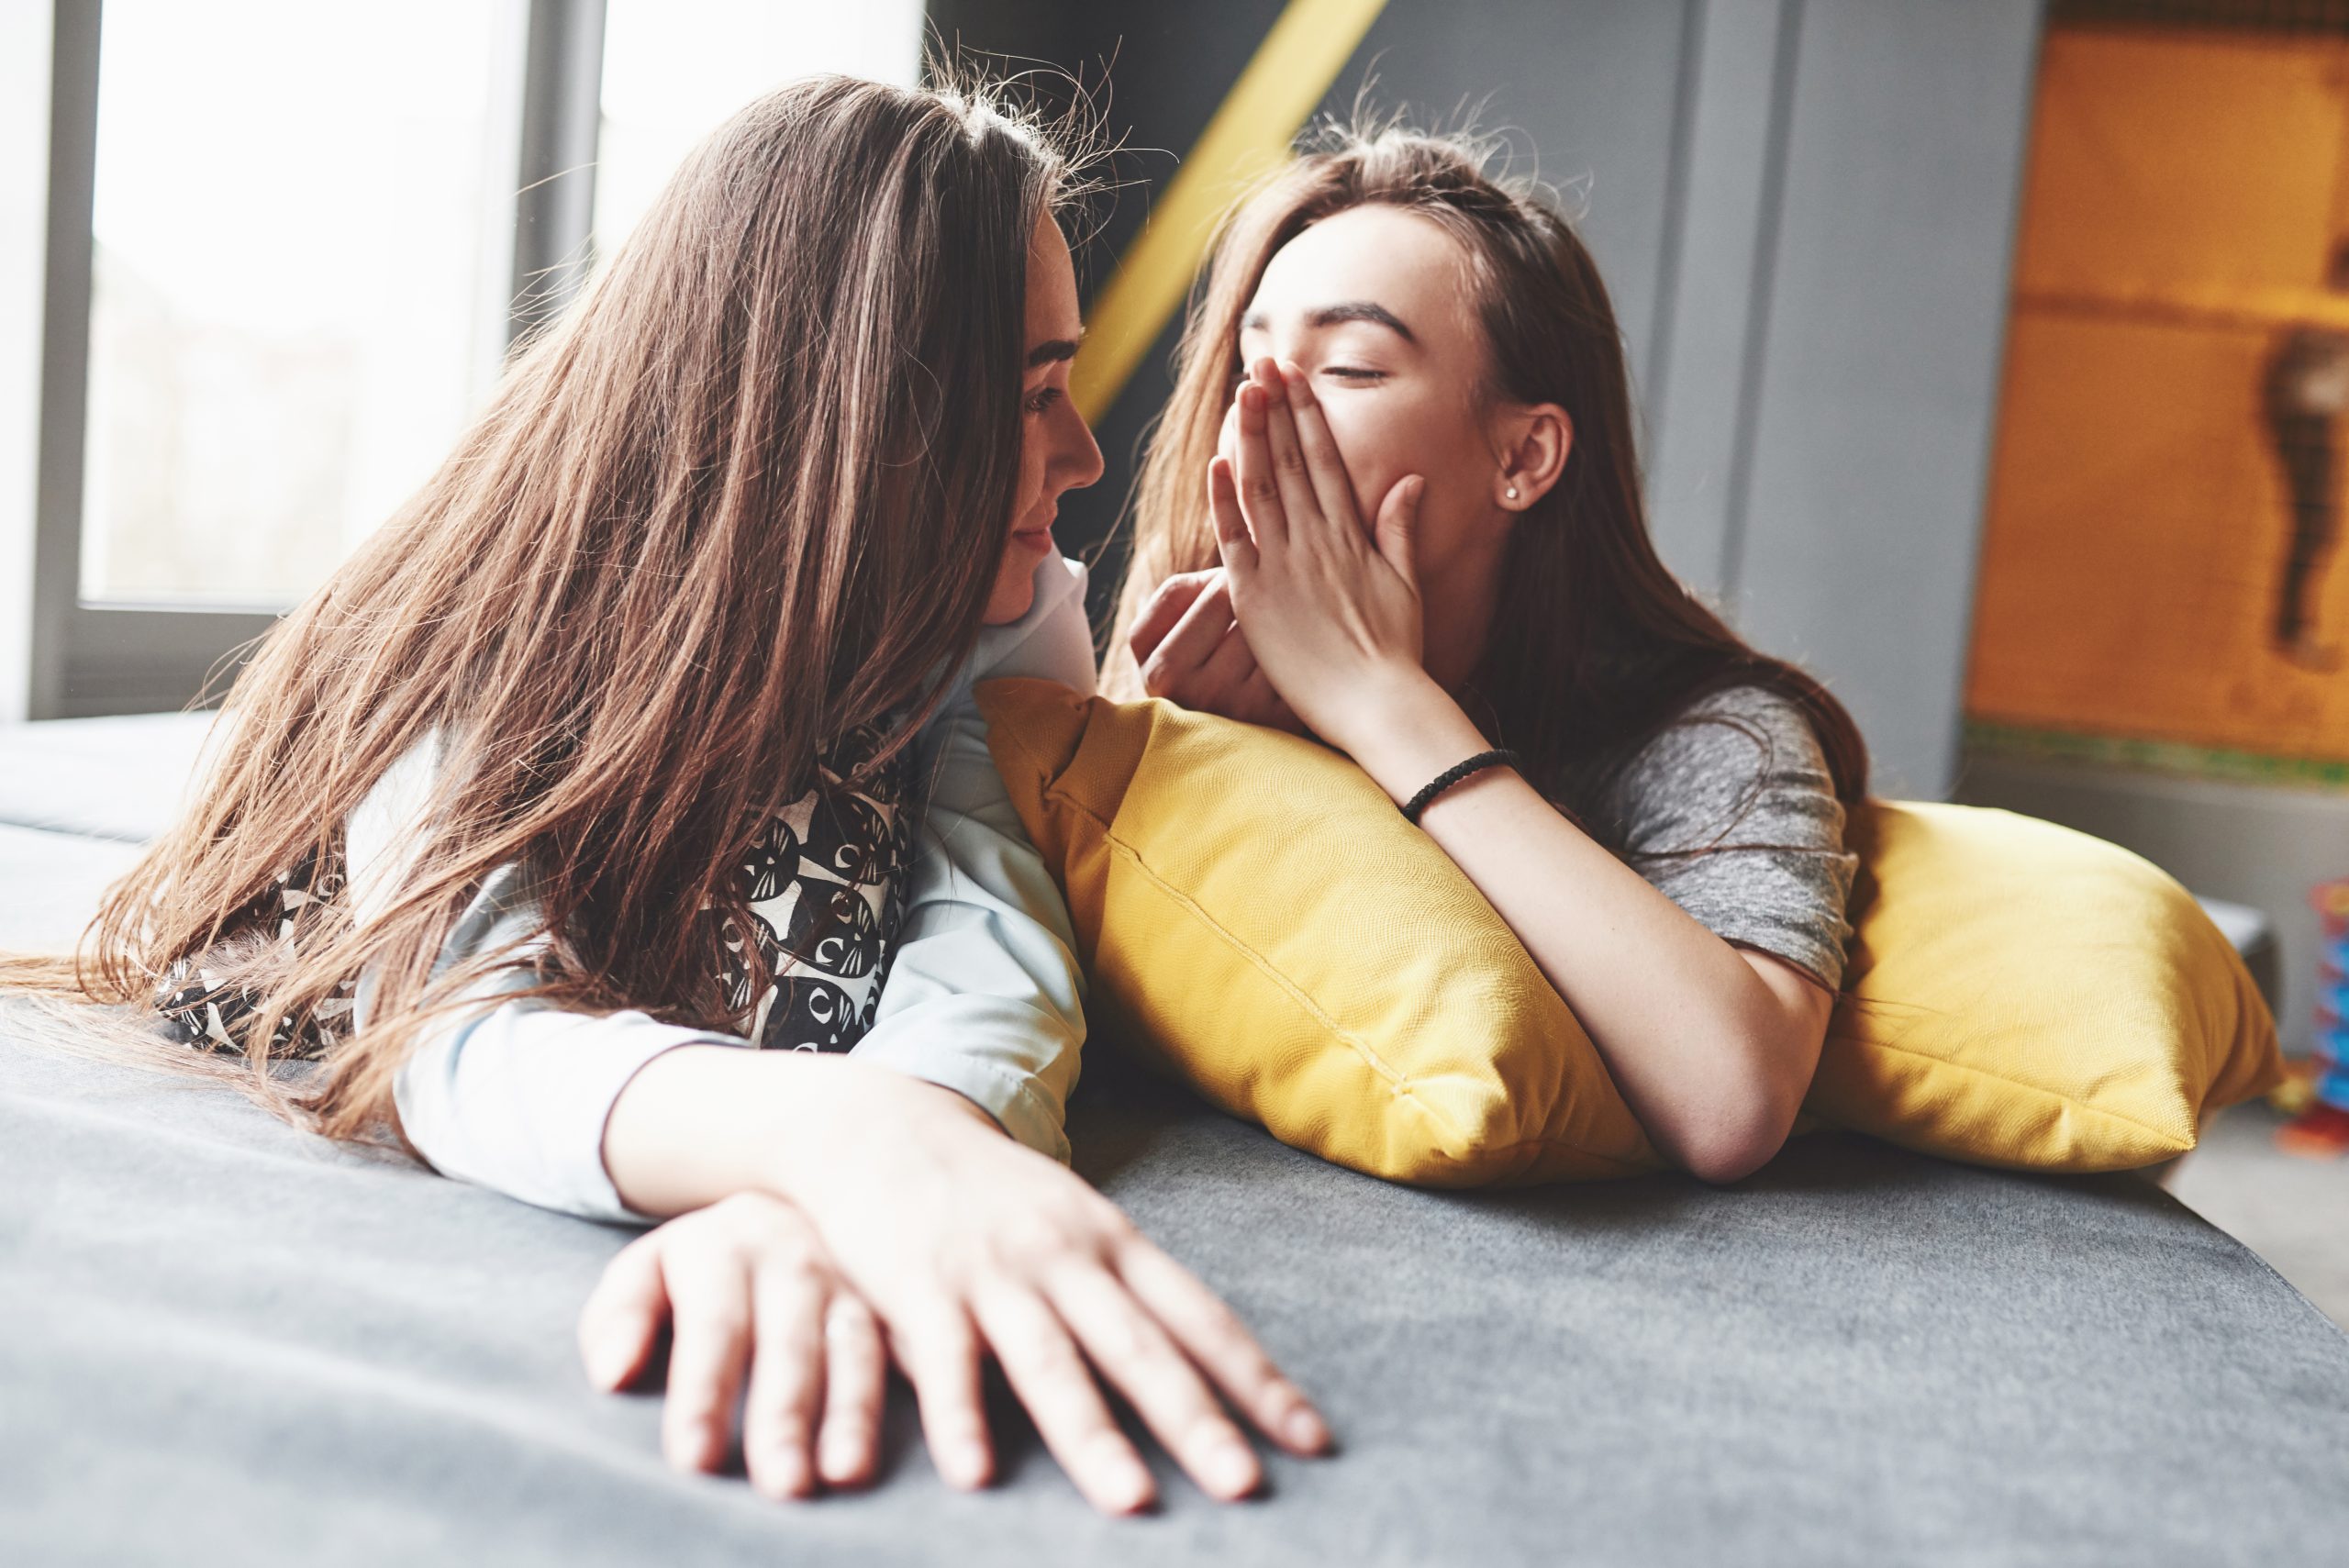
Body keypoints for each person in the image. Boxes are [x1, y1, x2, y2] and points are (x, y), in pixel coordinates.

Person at [4, 75, 1326, 1515]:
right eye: (1032, 396)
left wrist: (900, 1144)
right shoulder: (488, 615)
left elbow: (992, 927)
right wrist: (824, 1136)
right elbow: (453, 1013)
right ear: (856, 418)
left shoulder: (996, 615)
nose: (1084, 456)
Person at [1108, 123, 1870, 1184]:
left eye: (1350, 367)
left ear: (1522, 454)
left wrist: (1382, 704)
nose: (1260, 413)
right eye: (1249, 364)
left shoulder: (1715, 734)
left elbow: (1731, 1097)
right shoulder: (1188, 650)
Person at [2261, 239, 2349, 671]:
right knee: (2317, 527)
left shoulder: (2326, 310)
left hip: (2309, 419)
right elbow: (2280, 375)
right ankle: (2293, 629)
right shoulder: (2327, 310)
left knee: (2319, 528)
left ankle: (2293, 628)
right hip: (2303, 420)